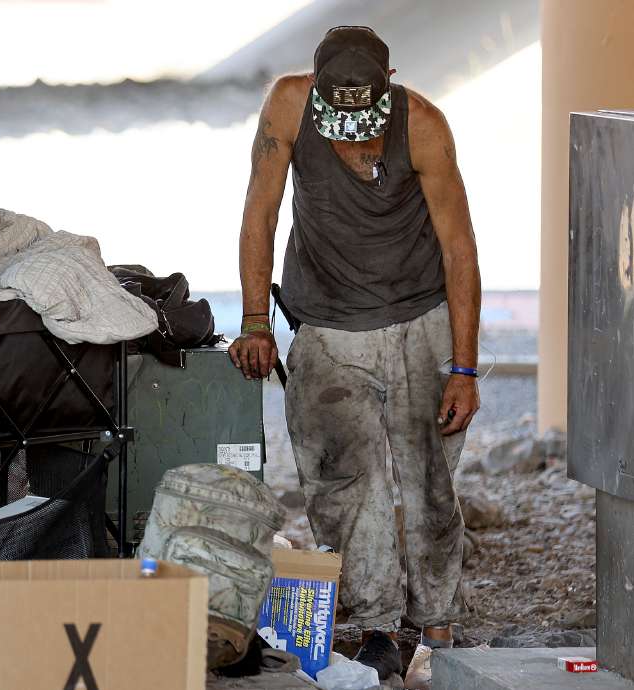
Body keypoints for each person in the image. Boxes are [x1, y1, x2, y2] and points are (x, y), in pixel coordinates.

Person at [228, 26, 481, 690]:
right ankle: (376, 629)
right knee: (343, 483)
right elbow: (260, 212)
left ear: (390, 83)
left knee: (429, 483)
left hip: (420, 319)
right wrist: (256, 322)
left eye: (365, 124)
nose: (353, 142)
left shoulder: (422, 125)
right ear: (314, 92)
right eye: (338, 126)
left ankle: (437, 627)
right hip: (328, 324)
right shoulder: (287, 105)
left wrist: (463, 366)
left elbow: (459, 249)